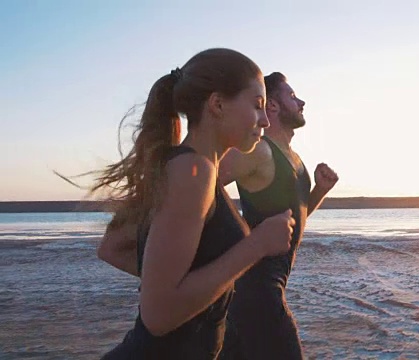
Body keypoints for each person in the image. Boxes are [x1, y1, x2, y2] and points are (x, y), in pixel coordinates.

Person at [94, 48, 295, 359]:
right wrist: (257, 244)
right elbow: (159, 317)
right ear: (217, 104)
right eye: (257, 106)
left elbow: (112, 246)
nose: (266, 120)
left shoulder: (189, 168)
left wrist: (185, 286)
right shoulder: (193, 172)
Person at [218, 72, 339, 359]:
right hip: (255, 291)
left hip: (260, 290)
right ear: (271, 105)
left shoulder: (294, 159)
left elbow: (292, 223)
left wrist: (319, 191)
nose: (301, 102)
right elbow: (198, 184)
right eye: (292, 96)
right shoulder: (259, 151)